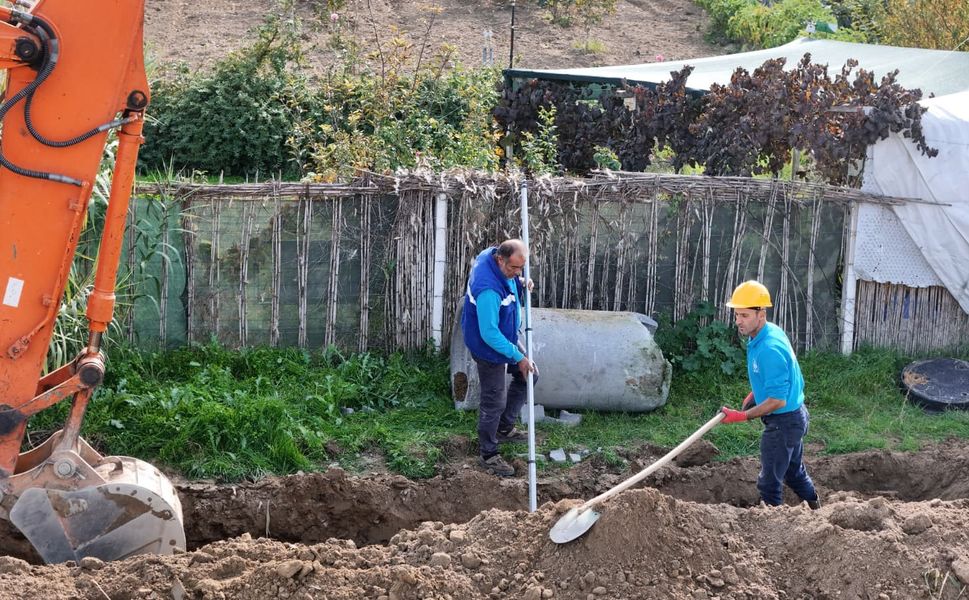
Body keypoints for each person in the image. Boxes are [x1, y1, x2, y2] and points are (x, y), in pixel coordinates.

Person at [720, 280, 821, 510]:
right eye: (737, 315)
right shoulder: (766, 333)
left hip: (783, 423)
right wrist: (757, 393)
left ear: (761, 314)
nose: (738, 321)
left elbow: (777, 400)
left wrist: (741, 416)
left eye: (744, 315)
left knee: (768, 483)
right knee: (794, 473)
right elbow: (781, 378)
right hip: (795, 416)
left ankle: (771, 523)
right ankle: (817, 510)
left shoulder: (769, 348)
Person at [461, 239, 537, 477]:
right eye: (514, 268)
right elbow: (489, 334)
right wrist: (518, 356)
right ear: (500, 260)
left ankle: (504, 428)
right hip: (488, 346)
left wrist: (520, 282)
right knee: (493, 401)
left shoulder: (493, 257)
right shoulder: (488, 290)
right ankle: (489, 454)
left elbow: (510, 279)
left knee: (529, 376)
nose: (518, 273)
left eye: (521, 268)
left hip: (505, 335)